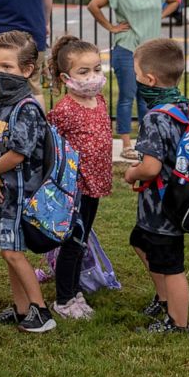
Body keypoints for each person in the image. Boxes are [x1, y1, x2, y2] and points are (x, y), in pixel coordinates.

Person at [0, 30, 56, 333]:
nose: (0, 73)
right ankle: (20, 307)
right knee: (8, 250)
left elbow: (17, 154)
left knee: (13, 252)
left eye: (8, 67)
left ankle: (40, 310)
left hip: (20, 193)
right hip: (3, 192)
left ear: (27, 70)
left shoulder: (26, 108)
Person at [122, 38, 189, 333]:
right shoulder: (185, 106)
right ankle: (164, 300)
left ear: (149, 79)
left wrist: (131, 173)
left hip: (165, 205)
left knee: (172, 266)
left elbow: (150, 167)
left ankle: (178, 323)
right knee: (139, 242)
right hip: (172, 198)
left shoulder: (155, 117)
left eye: (137, 75)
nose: (137, 80)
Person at [87, 0, 180, 160]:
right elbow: (93, 5)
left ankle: (146, 142)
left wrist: (160, 16)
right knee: (127, 96)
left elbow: (175, 1)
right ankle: (126, 144)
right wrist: (110, 27)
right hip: (127, 48)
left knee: (147, 98)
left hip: (152, 51)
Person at [46, 35, 113, 319]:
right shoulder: (65, 110)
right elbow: (50, 143)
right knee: (72, 244)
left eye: (97, 69)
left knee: (81, 241)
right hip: (75, 189)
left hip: (94, 187)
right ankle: (64, 299)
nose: (93, 77)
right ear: (66, 77)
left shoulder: (99, 101)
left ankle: (75, 292)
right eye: (83, 72)